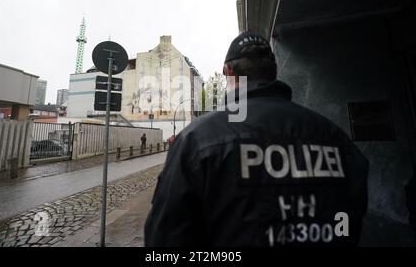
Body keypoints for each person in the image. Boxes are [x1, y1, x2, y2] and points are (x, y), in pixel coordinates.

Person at [145, 31, 369, 247]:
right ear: (273, 71)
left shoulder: (197, 140)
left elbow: (165, 237)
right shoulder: (335, 137)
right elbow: (353, 216)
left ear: (229, 72)